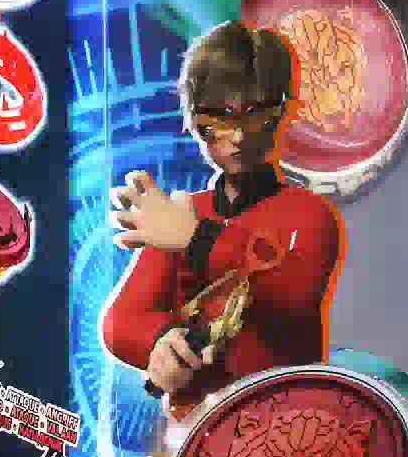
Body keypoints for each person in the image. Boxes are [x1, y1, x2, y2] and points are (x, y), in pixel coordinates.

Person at [101, 21, 343, 414]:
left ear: (280, 114)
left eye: (256, 115)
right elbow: (121, 321)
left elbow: (293, 296)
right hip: (196, 427)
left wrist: (198, 239)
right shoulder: (187, 212)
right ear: (195, 123)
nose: (239, 137)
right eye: (219, 120)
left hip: (285, 422)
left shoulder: (309, 214)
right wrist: (161, 342)